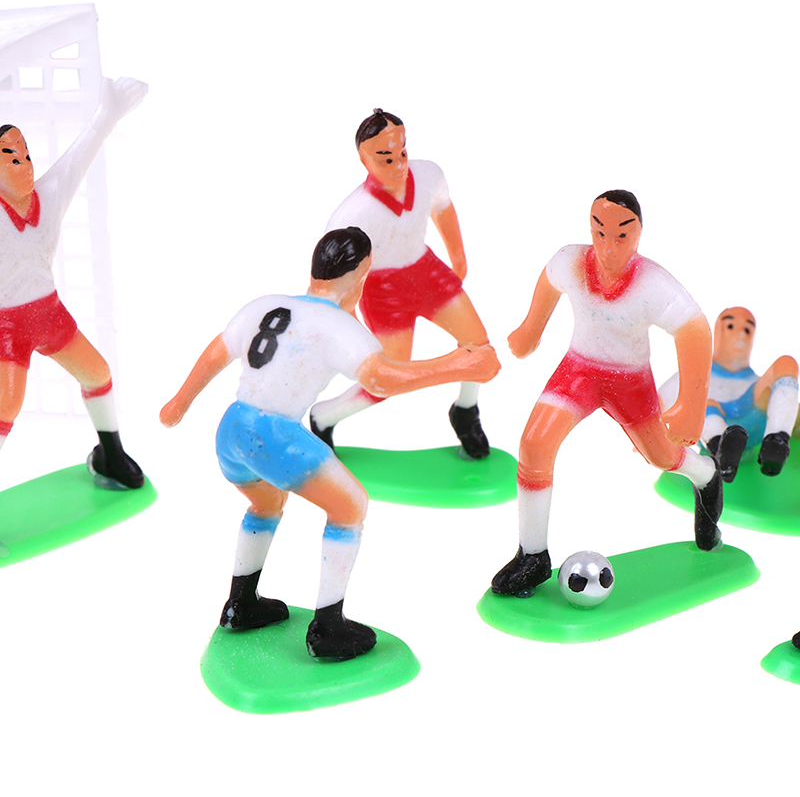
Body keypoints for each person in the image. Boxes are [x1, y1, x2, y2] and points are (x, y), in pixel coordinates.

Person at [160, 227, 500, 660]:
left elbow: (216, 352)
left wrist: (179, 402)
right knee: (351, 506)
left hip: (231, 429)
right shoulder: (337, 326)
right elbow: (382, 379)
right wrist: (457, 364)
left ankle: (240, 603)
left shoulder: (266, 304)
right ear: (362, 271)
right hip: (273, 435)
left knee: (266, 504)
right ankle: (327, 627)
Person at [491, 190, 722, 598]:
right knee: (534, 444)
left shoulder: (651, 283)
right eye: (599, 233)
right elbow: (549, 280)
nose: (608, 247)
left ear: (639, 235)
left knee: (661, 456)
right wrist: (531, 329)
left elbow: (695, 331)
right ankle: (532, 555)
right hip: (578, 371)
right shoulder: (571, 261)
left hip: (630, 382)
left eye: (621, 235)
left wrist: (691, 405)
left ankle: (705, 474)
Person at [310, 109, 492, 459]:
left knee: (478, 345)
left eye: (402, 151)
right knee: (388, 378)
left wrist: (458, 260)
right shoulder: (353, 215)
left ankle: (466, 410)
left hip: (426, 270)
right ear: (364, 160)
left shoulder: (428, 175)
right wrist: (348, 321)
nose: (398, 164)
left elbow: (442, 208)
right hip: (383, 291)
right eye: (385, 157)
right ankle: (325, 416)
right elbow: (338, 276)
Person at [0, 77, 147, 489]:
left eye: (25, 153)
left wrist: (108, 113)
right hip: (7, 327)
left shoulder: (47, 196)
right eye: (10, 156)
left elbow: (78, 157)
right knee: (6, 408)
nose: (23, 163)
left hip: (49, 314)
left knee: (98, 374)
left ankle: (111, 456)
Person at [660, 306, 798, 482]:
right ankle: (723, 451)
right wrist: (652, 440)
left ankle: (777, 441)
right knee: (703, 404)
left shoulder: (755, 383)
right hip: (709, 427)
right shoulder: (695, 374)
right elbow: (657, 405)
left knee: (786, 362)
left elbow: (786, 404)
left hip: (753, 427)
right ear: (717, 332)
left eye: (747, 329)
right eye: (730, 326)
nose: (740, 334)